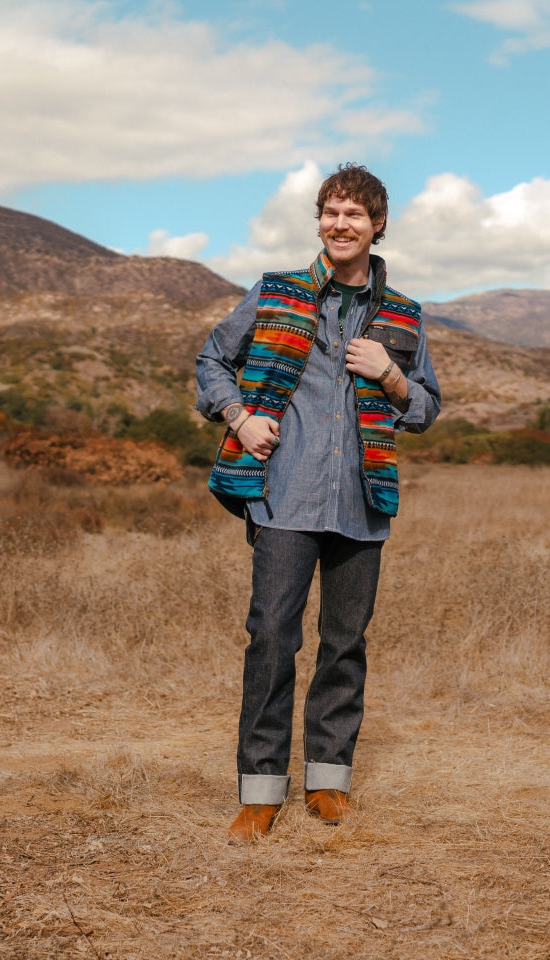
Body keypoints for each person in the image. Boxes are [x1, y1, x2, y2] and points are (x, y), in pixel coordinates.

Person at [195, 163, 441, 842]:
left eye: (353, 214)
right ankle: (260, 792)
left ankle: (328, 783)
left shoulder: (404, 317)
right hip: (284, 499)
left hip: (364, 504)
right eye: (330, 212)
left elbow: (426, 409)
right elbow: (211, 362)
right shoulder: (276, 293)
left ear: (378, 224)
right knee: (272, 639)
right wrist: (239, 417)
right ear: (319, 221)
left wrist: (390, 375)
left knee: (344, 645)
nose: (340, 224)